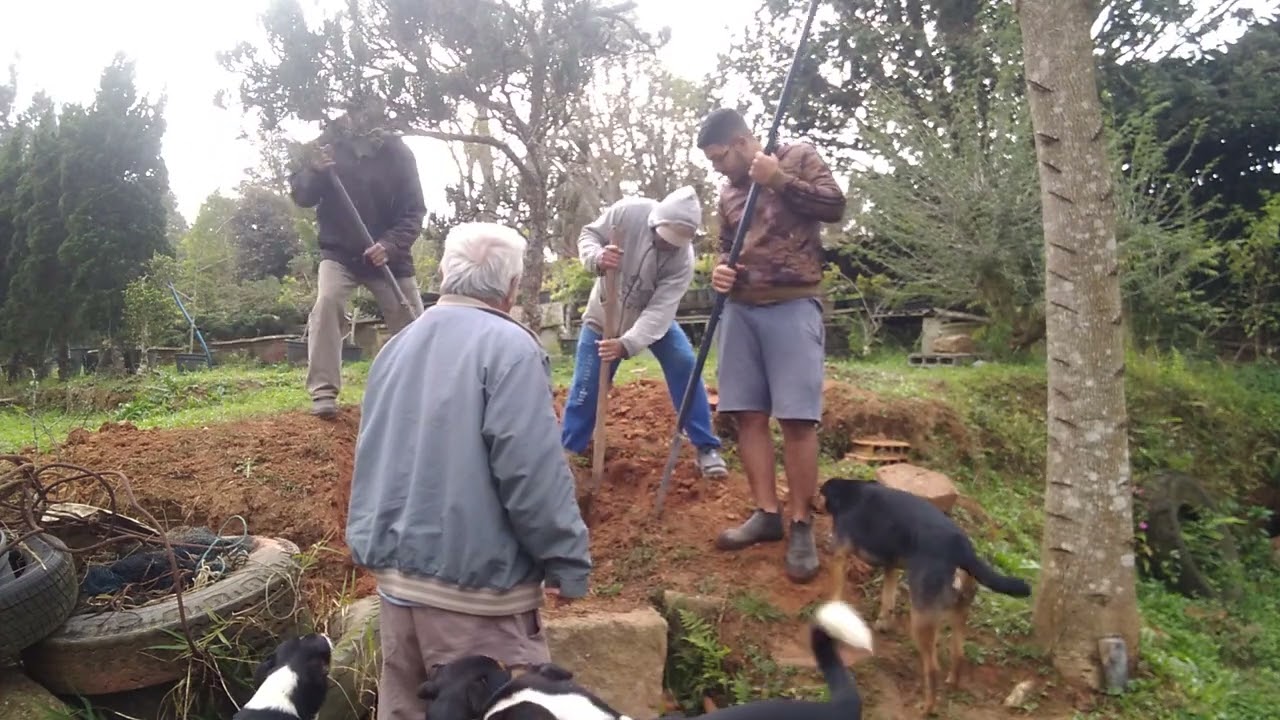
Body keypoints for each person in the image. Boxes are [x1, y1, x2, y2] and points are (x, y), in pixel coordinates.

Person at [344, 221, 592, 720]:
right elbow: (531, 475)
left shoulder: (395, 348)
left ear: (443, 273)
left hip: (398, 590)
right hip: (477, 598)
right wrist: (566, 559)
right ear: (512, 288)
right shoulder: (511, 348)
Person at [695, 107, 847, 584]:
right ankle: (766, 514)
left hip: (792, 304)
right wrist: (721, 269)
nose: (717, 167)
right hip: (741, 310)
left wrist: (779, 179)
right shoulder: (728, 192)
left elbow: (835, 206)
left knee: (798, 418)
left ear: (742, 142)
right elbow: (727, 244)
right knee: (747, 414)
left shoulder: (797, 158)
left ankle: (801, 522)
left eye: (720, 156)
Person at [563, 185, 729, 478]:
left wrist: (627, 344)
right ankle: (569, 455)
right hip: (603, 316)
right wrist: (597, 257)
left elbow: (659, 311)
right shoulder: (628, 212)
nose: (667, 247)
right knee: (586, 387)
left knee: (684, 364)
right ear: (655, 222)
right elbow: (588, 234)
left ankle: (706, 447)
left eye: (675, 244)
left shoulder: (683, 260)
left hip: (651, 321)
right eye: (664, 240)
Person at [287, 111, 427, 419]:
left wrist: (389, 246)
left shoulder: (398, 153)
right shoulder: (327, 146)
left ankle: (422, 393)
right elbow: (301, 194)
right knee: (327, 302)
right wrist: (314, 170)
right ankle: (323, 392)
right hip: (341, 252)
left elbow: (414, 212)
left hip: (390, 258)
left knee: (413, 323)